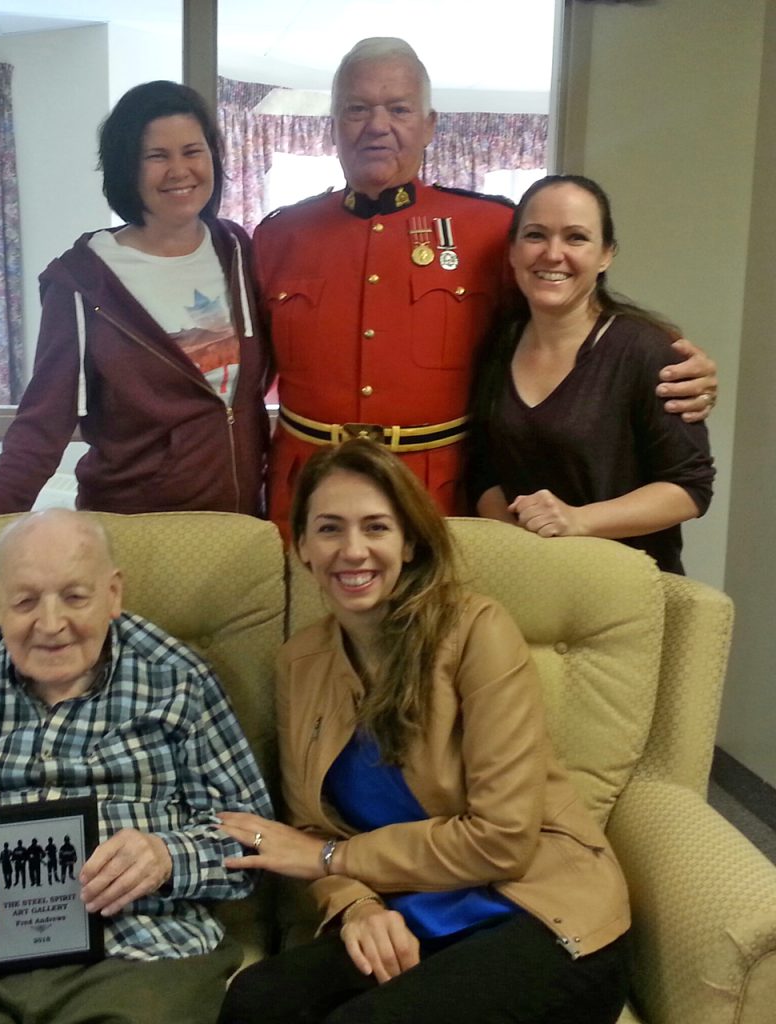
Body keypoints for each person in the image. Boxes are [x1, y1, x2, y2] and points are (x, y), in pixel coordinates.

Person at [217, 438, 630, 1024]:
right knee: (256, 1000)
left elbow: (503, 839)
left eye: (376, 527)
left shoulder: (475, 632)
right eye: (329, 529)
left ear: (409, 542)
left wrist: (335, 859)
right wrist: (356, 905)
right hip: (414, 913)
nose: (352, 550)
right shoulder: (299, 662)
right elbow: (311, 824)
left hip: (539, 912)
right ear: (302, 546)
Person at [251, 37, 718, 534]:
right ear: (334, 125)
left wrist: (679, 367)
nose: (378, 126)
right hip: (309, 490)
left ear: (429, 126)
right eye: (357, 109)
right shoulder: (279, 235)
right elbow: (244, 373)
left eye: (399, 109)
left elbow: (564, 321)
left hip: (438, 496)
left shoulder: (490, 230)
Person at [0, 509, 274, 1024]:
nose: (49, 624)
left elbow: (253, 837)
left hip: (134, 951)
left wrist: (166, 856)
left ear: (112, 593)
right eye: (24, 601)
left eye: (74, 597)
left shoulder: (178, 681)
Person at [0, 80, 272, 561]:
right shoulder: (84, 281)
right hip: (134, 538)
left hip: (241, 530)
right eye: (156, 156)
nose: (179, 170)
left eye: (193, 151)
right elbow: (43, 423)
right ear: (127, 166)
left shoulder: (235, 250)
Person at [469, 174, 714, 574]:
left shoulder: (646, 351)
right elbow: (483, 469)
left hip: (625, 593)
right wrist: (519, 543)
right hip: (529, 584)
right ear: (512, 251)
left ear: (606, 255)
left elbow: (690, 487)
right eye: (535, 235)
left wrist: (579, 521)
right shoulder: (499, 343)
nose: (552, 254)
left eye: (576, 238)